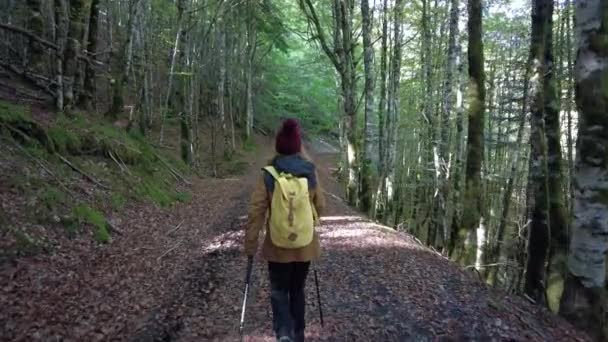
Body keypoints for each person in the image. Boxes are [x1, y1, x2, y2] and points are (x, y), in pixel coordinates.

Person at [244, 119, 326, 342]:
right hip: (305, 245)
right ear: (299, 146)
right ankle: (298, 335)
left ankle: (284, 333)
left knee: (279, 290)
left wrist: (250, 244)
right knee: (297, 290)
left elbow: (256, 211)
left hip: (277, 245)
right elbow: (321, 205)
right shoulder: (309, 171)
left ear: (278, 146)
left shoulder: (269, 174)